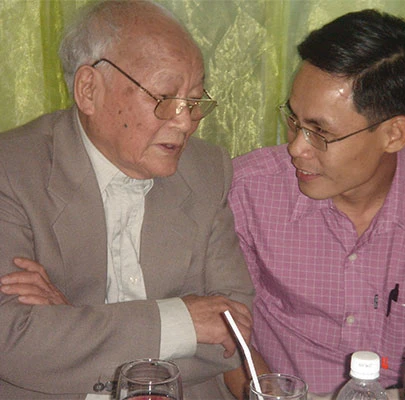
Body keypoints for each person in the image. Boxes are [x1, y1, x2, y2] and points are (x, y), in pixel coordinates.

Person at [228, 9, 405, 398]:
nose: (296, 147)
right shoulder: (247, 192)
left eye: (320, 131)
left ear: (393, 134)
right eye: (294, 120)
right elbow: (229, 343)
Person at [0, 1, 254, 399]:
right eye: (165, 97)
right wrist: (181, 323)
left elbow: (232, 334)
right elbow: (12, 344)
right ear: (89, 90)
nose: (186, 121)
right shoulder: (12, 169)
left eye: (194, 100)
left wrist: (69, 322)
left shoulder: (207, 169)